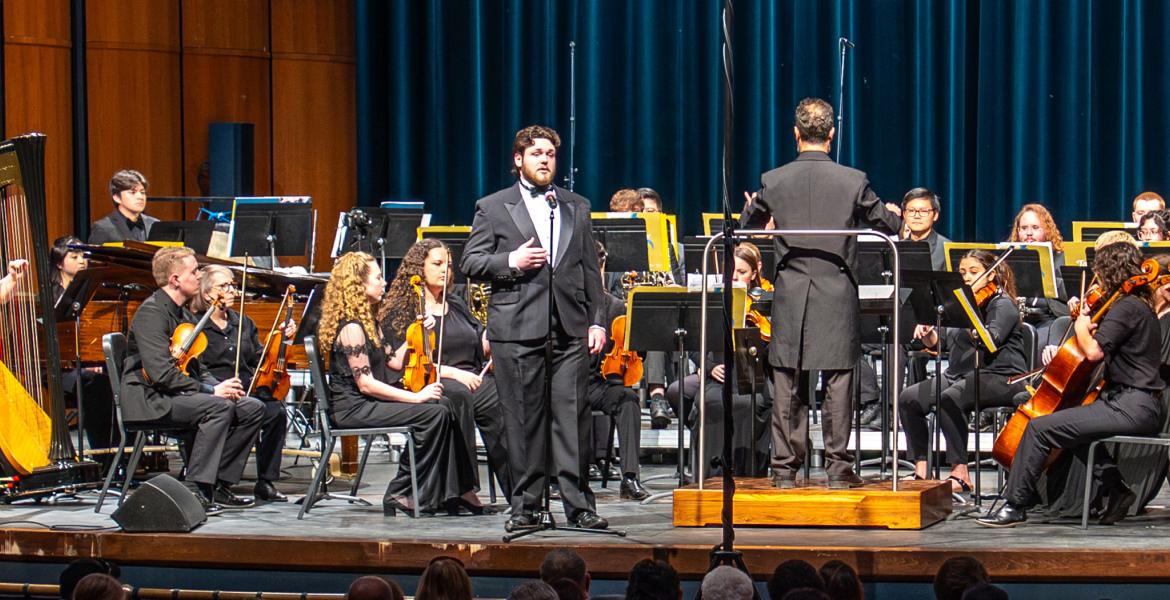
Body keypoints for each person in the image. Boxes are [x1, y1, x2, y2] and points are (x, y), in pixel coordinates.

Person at [740, 97, 902, 489]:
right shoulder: (853, 179)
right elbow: (887, 224)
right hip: (835, 291)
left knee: (787, 380)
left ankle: (783, 469)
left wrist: (756, 210)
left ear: (795, 134)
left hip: (792, 291)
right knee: (838, 383)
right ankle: (839, 469)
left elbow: (747, 223)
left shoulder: (774, 179)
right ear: (832, 134)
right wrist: (895, 215)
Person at [461, 125, 609, 531]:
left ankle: (579, 506)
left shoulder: (575, 205)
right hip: (517, 326)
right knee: (523, 421)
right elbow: (470, 262)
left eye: (550, 154)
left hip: (568, 329)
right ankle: (525, 507)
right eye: (536, 153)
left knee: (572, 417)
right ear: (518, 160)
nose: (545, 160)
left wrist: (597, 322)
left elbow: (588, 270)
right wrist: (510, 261)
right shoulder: (492, 207)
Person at [977, 241, 1165, 527]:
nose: (1097, 280)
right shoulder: (1136, 304)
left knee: (1040, 428)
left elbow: (1093, 352)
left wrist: (1080, 326)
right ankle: (1117, 491)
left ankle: (1015, 505)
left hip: (1131, 405)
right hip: (1133, 403)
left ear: (1110, 271)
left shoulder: (1126, 307)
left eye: (1100, 273)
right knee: (1070, 429)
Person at [317, 251, 477, 516]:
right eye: (378, 277)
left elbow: (392, 361)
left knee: (443, 405)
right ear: (359, 285)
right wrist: (416, 397)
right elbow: (366, 384)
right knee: (434, 413)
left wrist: (418, 332)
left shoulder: (371, 321)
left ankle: (435, 491)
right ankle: (400, 490)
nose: (384, 282)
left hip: (367, 403)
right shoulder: (352, 328)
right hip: (353, 409)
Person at [120, 246, 263, 513]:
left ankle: (219, 483)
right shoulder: (151, 313)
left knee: (252, 408)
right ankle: (196, 489)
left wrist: (222, 387)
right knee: (218, 407)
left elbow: (197, 366)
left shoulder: (183, 314)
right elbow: (161, 374)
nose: (200, 276)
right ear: (175, 279)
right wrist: (210, 391)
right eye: (195, 271)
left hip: (175, 394)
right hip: (151, 399)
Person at [378, 239, 511, 506]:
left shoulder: (457, 303)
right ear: (419, 267)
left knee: (502, 395)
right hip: (426, 381)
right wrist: (453, 373)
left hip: (470, 378)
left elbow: (477, 339)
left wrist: (492, 338)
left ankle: (519, 489)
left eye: (449, 265)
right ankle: (461, 489)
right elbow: (398, 363)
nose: (445, 270)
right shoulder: (403, 309)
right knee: (457, 395)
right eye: (437, 264)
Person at [899, 250, 1029, 493]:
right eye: (962, 273)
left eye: (974, 272)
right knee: (909, 398)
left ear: (991, 276)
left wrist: (970, 318)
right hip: (960, 375)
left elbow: (991, 341)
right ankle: (921, 469)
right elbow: (941, 346)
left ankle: (960, 472)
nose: (967, 278)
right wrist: (929, 335)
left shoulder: (1002, 304)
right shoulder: (961, 303)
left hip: (1001, 375)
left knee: (951, 398)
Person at [666, 242, 773, 477]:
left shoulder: (765, 299)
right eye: (731, 271)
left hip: (753, 373)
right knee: (705, 401)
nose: (734, 277)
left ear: (755, 272)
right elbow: (694, 342)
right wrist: (709, 366)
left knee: (747, 404)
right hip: (720, 371)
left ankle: (746, 471)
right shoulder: (714, 298)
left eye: (742, 273)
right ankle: (708, 470)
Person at [188, 265, 293, 502]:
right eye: (224, 286)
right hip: (216, 394)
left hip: (247, 390)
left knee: (276, 412)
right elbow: (196, 370)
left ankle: (265, 481)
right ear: (207, 294)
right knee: (248, 410)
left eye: (233, 286)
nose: (232, 291)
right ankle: (222, 482)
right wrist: (219, 388)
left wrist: (279, 339)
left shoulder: (243, 322)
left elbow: (258, 358)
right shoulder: (196, 327)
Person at [589, 241, 648, 499]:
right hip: (566, 381)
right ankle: (557, 478)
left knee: (629, 399)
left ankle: (630, 478)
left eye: (599, 267)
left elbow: (637, 354)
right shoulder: (563, 303)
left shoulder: (614, 307)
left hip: (599, 383)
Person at [51, 236, 116, 453]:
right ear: (59, 263)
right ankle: (103, 452)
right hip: (61, 368)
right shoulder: (50, 295)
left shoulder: (94, 293)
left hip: (91, 363)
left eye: (84, 256)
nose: (82, 261)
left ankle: (123, 451)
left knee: (119, 379)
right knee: (94, 384)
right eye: (74, 256)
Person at [1006, 203, 1068, 342]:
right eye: (1023, 228)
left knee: (1031, 344)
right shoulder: (1008, 257)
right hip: (1016, 319)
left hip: (1049, 320)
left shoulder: (1061, 257)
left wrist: (1044, 277)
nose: (1029, 233)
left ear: (1047, 230)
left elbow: (1071, 292)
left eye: (1035, 228)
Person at [88, 170, 158, 244]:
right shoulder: (103, 228)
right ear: (117, 198)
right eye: (132, 192)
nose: (140, 197)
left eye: (142, 192)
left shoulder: (154, 224)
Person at [901, 187, 952, 271]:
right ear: (904, 214)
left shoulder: (947, 248)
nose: (916, 216)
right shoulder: (896, 248)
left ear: (935, 215)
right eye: (911, 211)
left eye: (923, 211)